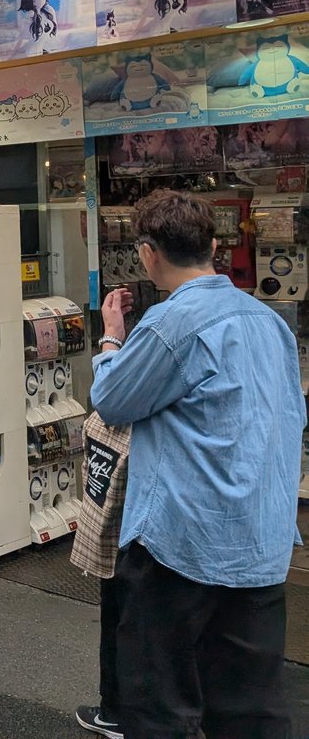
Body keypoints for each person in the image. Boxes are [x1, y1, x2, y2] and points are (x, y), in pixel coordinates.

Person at [92, 189, 303, 739]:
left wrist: (111, 341)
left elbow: (114, 399)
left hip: (180, 544)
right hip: (260, 542)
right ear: (213, 246)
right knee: (249, 708)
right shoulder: (269, 321)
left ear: (146, 253)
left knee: (160, 704)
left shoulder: (171, 323)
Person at [69, 412, 132, 739]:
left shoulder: (133, 378)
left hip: (127, 531)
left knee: (119, 617)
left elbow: (109, 400)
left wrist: (109, 359)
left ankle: (115, 712)